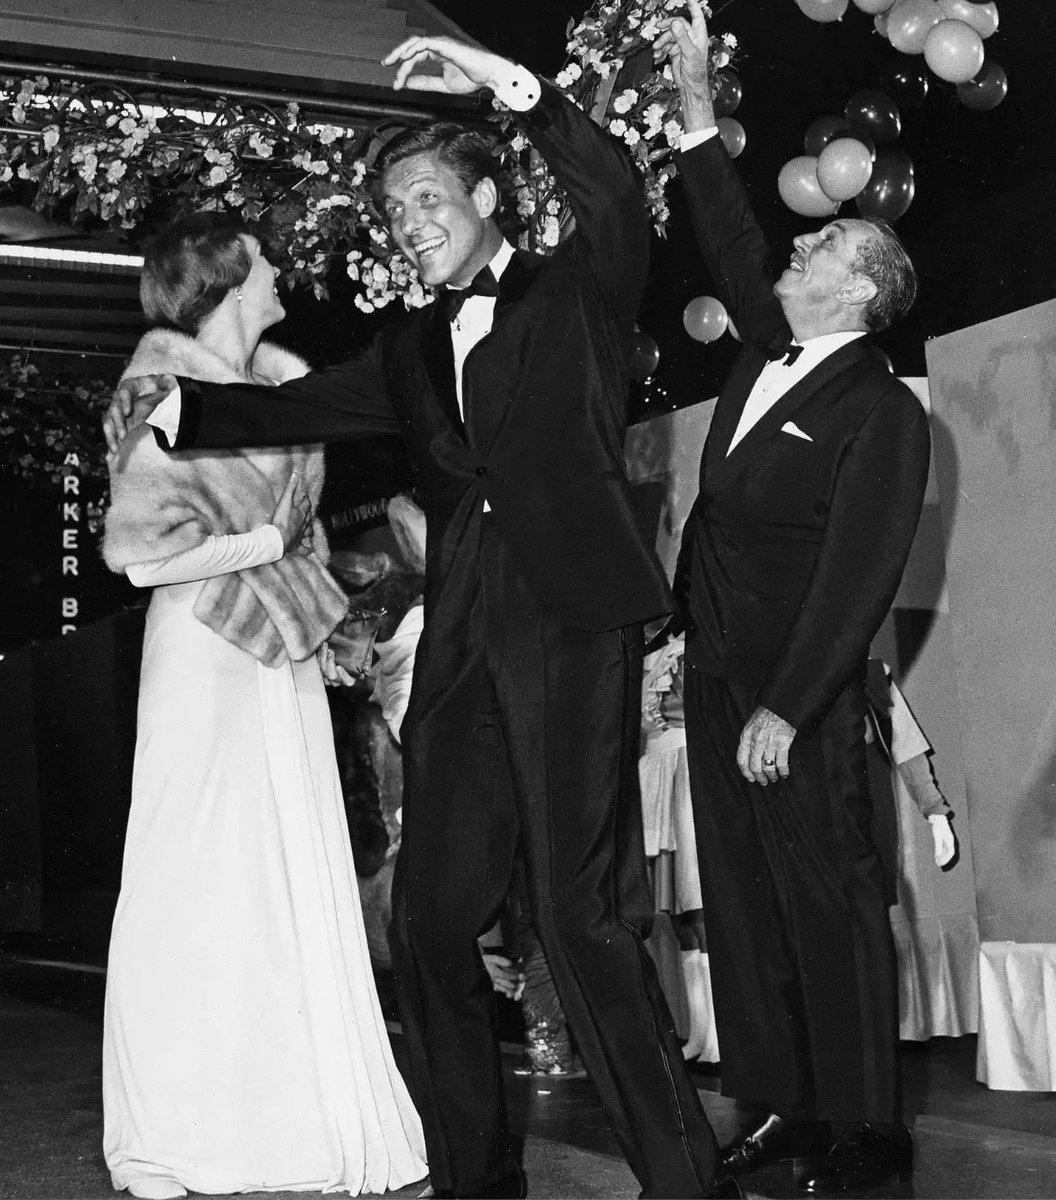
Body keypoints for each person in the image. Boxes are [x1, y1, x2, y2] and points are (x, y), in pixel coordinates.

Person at [104, 34, 730, 1200]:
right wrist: (162, 403)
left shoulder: (578, 292)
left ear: (489, 199)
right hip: (461, 660)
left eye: (429, 198)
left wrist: (506, 82)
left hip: (573, 631)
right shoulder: (405, 352)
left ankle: (685, 1181)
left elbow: (606, 188)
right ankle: (475, 1179)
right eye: (396, 211)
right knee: (435, 926)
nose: (410, 222)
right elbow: (272, 409)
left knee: (575, 917)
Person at [657, 1, 930, 1192]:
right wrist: (696, 119)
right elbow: (724, 231)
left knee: (829, 899)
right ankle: (782, 1105)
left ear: (862, 290)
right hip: (717, 672)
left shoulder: (882, 406)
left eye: (821, 250)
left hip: (795, 694)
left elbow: (861, 573)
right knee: (748, 899)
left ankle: (868, 1124)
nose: (797, 249)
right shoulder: (767, 348)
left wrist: (792, 703)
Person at [100, 213, 427, 1200]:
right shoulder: (164, 394)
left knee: (282, 880)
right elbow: (141, 555)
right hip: (204, 656)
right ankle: (178, 1128)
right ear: (226, 278)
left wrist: (323, 625)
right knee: (197, 878)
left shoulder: (279, 391)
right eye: (266, 259)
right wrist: (269, 546)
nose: (284, 269)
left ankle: (286, 1118)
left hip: (273, 657)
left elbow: (298, 540)